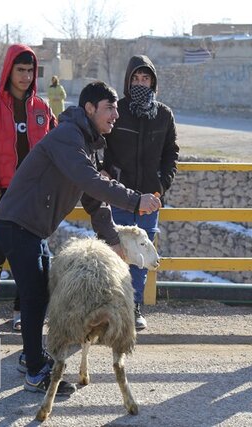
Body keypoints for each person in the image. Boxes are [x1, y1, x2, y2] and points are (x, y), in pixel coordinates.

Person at [0, 81, 161, 395]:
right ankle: (34, 371)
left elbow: (93, 201)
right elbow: (90, 181)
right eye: (109, 108)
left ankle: (30, 357)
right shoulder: (68, 137)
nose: (116, 114)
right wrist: (136, 200)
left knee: (40, 294)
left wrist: (111, 241)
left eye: (116, 108)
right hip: (17, 224)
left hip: (29, 227)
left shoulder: (86, 142)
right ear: (89, 108)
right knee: (33, 298)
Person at [0, 44, 56, 337]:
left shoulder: (43, 108)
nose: (26, 76)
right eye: (20, 70)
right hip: (3, 196)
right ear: (9, 70)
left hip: (34, 198)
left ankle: (22, 314)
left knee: (30, 258)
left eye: (31, 71)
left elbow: (58, 146)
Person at [103, 55, 179, 330]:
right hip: (119, 197)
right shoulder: (117, 110)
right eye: (135, 78)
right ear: (127, 80)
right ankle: (112, 308)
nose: (140, 83)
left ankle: (133, 308)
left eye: (145, 78)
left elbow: (171, 153)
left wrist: (161, 185)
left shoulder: (164, 114)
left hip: (149, 199)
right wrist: (108, 173)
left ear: (153, 81)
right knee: (116, 252)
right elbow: (103, 146)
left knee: (142, 254)